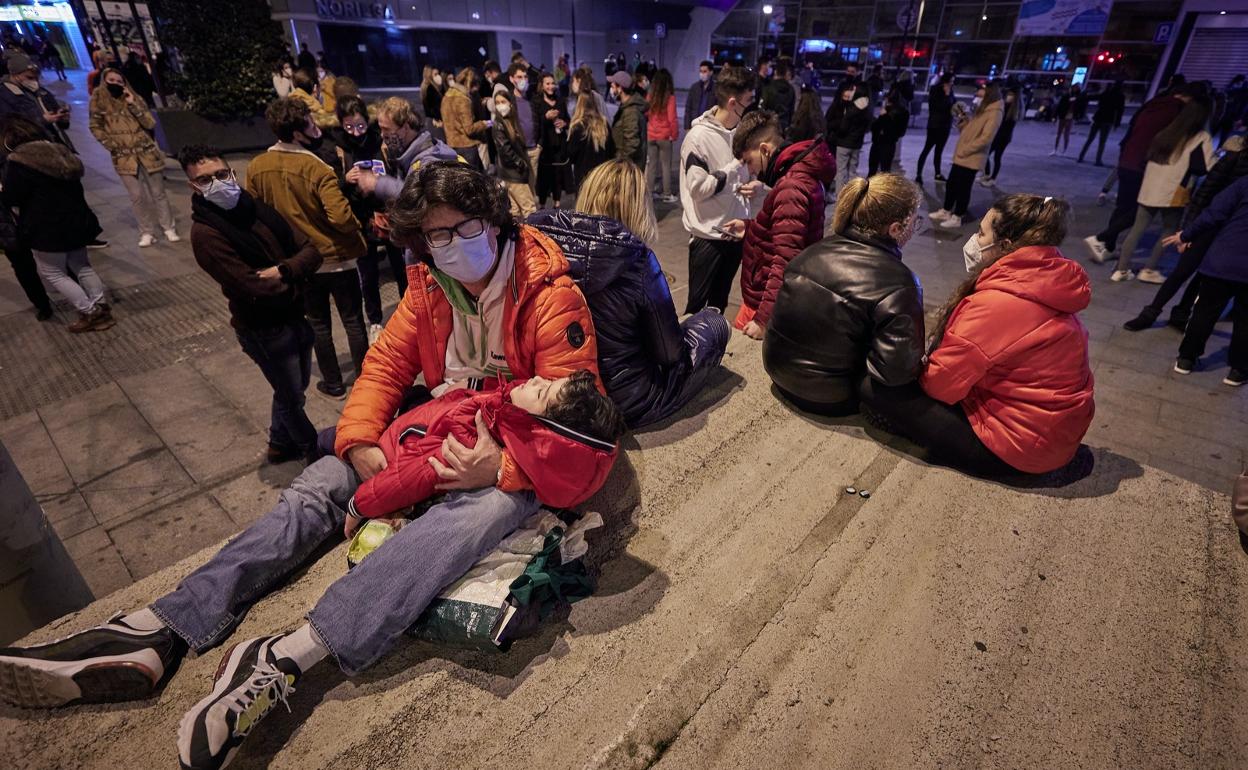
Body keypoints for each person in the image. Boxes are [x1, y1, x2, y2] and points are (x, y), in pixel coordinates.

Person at [0, 163, 603, 768]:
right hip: (432, 427)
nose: (450, 246)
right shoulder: (428, 285)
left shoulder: (549, 294)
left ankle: (290, 654)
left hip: (508, 448)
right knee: (319, 485)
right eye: (435, 236)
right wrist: (362, 441)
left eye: (464, 228)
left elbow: (577, 421)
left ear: (494, 222)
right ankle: (162, 626)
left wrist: (500, 469)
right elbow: (385, 366)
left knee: (477, 517)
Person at [860, 194, 1094, 476]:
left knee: (874, 388)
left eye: (982, 233)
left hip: (1019, 450)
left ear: (1004, 247)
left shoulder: (997, 305)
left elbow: (938, 387)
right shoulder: (1047, 279)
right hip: (1053, 435)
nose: (974, 239)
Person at [531, 158, 730, 427]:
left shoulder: (544, 245)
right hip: (629, 401)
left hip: (562, 389)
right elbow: (670, 354)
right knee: (713, 322)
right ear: (639, 207)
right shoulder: (638, 261)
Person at [180, 145, 324, 462]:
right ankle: (311, 451)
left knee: (293, 388)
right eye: (205, 180)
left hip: (294, 316)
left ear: (231, 172)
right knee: (291, 396)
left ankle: (278, 443)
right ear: (193, 187)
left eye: (220, 174)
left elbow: (312, 251)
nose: (217, 183)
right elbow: (252, 286)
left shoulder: (257, 209)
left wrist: (286, 269)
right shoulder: (206, 233)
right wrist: (296, 276)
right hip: (264, 329)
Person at [350, 372, 622, 522]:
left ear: (536, 429)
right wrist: (475, 384)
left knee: (326, 460)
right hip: (418, 413)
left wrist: (358, 505)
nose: (538, 378)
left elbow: (408, 477)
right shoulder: (511, 409)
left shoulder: (474, 443)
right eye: (548, 381)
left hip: (394, 446)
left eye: (542, 392)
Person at [762, 173, 924, 415]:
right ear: (895, 228)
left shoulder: (811, 252)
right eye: (915, 221)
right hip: (829, 395)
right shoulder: (900, 283)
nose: (915, 227)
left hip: (777, 371)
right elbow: (895, 373)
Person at [247, 97, 368, 399]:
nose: (316, 128)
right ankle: (367, 383)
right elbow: (340, 217)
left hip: (298, 262)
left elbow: (255, 214)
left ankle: (334, 383)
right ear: (298, 133)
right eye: (310, 124)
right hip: (335, 257)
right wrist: (355, 227)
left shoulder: (258, 167)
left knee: (318, 324)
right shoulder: (317, 167)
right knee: (353, 320)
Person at [725, 110, 834, 340]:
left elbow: (786, 260)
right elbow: (785, 233)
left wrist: (763, 319)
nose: (751, 170)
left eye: (749, 161)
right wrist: (749, 228)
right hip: (768, 296)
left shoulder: (791, 187)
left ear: (764, 149)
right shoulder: (796, 176)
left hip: (766, 301)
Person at [1125, 134, 1248, 331]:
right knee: (1182, 271)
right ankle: (1151, 312)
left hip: (1231, 235)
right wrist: (1188, 230)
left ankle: (1181, 314)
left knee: (1205, 278)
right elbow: (1203, 194)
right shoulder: (1234, 158)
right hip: (1208, 225)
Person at [0, 117, 111, 332]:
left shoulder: (19, 162)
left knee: (53, 272)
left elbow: (12, 197)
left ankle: (90, 312)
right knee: (82, 266)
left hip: (46, 227)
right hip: (76, 221)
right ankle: (101, 305)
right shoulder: (61, 152)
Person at [680, 65, 758, 314]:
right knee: (696, 310)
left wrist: (750, 185)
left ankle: (714, 352)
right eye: (749, 100)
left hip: (735, 233)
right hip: (708, 238)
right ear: (734, 102)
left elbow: (746, 173)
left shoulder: (740, 131)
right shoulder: (698, 138)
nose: (753, 104)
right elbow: (698, 188)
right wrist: (735, 168)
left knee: (719, 305)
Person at [1085, 84, 1193, 264]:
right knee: (1141, 211)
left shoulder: (1152, 106)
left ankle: (1107, 246)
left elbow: (1132, 130)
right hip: (1144, 165)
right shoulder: (1175, 112)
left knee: (1123, 207)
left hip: (1129, 158)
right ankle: (1103, 238)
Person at [1110, 98, 1215, 283]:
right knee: (1169, 229)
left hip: (1149, 187)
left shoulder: (1166, 133)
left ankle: (1121, 269)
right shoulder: (1200, 137)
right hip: (1174, 191)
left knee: (1137, 228)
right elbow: (1205, 166)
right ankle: (1149, 269)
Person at [329, 96, 404, 342]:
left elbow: (396, 172)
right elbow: (331, 189)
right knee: (368, 274)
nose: (356, 132)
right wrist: (345, 180)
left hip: (389, 215)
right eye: (349, 126)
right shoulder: (339, 147)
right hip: (362, 220)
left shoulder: (378, 140)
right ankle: (375, 321)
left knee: (401, 267)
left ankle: (407, 311)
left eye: (360, 125)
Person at [1169, 174, 1248, 385]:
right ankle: (1238, 370)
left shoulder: (1243, 182)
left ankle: (1186, 358)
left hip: (1225, 258)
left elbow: (1214, 213)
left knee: (1205, 309)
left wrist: (1186, 235)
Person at [88, 68, 178, 248]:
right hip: (124, 157)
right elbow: (95, 126)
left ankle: (168, 227)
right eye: (111, 80)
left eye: (119, 81)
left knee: (158, 193)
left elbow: (150, 123)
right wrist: (111, 144)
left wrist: (133, 104)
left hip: (146, 152)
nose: (116, 84)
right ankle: (146, 231)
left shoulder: (134, 98)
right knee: (137, 196)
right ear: (104, 82)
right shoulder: (98, 102)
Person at [346, 95, 460, 205]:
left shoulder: (429, 161)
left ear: (405, 128)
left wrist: (378, 184)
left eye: (386, 129)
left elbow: (420, 199)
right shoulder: (408, 154)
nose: (382, 135)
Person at [930, 82, 1003, 229]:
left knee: (963, 188)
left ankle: (958, 216)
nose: (977, 94)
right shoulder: (982, 108)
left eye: (981, 91)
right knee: (951, 184)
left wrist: (967, 149)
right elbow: (968, 130)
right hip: (962, 155)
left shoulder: (995, 112)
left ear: (989, 92)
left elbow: (986, 138)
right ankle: (946, 210)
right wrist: (964, 120)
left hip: (972, 156)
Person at [0, 53, 70, 147]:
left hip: (56, 146)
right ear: (14, 75)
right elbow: (11, 130)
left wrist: (63, 118)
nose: (35, 82)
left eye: (37, 78)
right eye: (29, 77)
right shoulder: (4, 96)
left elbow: (57, 116)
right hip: (33, 151)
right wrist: (43, 120)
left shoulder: (41, 92)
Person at [492, 85, 538, 217]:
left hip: (512, 172)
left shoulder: (510, 121)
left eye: (503, 102)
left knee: (516, 212)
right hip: (513, 174)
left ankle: (517, 237)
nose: (500, 105)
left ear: (510, 103)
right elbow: (505, 151)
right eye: (497, 103)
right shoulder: (499, 124)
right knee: (529, 209)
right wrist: (521, 164)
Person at [825, 82, 871, 196]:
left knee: (841, 171)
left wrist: (839, 133)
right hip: (857, 144)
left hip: (844, 144)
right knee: (852, 171)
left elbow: (843, 128)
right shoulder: (866, 108)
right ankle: (852, 195)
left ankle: (840, 196)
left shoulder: (851, 108)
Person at [442, 67, 491, 172]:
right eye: (476, 86)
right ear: (471, 83)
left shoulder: (447, 95)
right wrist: (485, 123)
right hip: (467, 148)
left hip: (452, 146)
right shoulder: (463, 100)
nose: (477, 90)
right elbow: (469, 129)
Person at [534, 72, 571, 208]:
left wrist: (564, 123)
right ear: (542, 85)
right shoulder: (537, 101)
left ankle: (557, 204)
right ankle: (542, 205)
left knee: (558, 175)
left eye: (552, 83)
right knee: (544, 176)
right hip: (545, 144)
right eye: (547, 83)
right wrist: (545, 117)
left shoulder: (560, 101)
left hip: (559, 143)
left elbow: (568, 119)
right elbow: (535, 122)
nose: (551, 86)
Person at [504, 61, 541, 193]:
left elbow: (539, 121)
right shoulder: (507, 99)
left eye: (525, 77)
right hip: (517, 152)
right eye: (519, 77)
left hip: (533, 150)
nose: (523, 80)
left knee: (532, 187)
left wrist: (539, 145)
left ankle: (531, 213)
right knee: (519, 191)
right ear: (511, 78)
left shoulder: (532, 98)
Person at [567, 87, 612, 190]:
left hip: (583, 178)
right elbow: (611, 150)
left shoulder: (578, 127)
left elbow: (571, 154)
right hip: (601, 175)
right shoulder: (604, 124)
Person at [645, 68, 678, 203]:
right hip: (664, 136)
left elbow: (646, 113)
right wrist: (674, 135)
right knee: (665, 166)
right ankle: (667, 194)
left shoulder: (650, 96)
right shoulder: (670, 98)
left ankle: (650, 192)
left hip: (651, 135)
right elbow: (672, 119)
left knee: (652, 165)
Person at [916, 73, 953, 185]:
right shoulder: (935, 90)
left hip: (945, 126)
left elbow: (953, 104)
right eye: (951, 81)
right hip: (935, 125)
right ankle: (919, 174)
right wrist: (946, 95)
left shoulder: (951, 90)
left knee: (939, 151)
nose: (952, 83)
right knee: (927, 149)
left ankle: (938, 173)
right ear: (944, 81)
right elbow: (938, 107)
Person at [608, 70, 648, 170]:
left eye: (613, 86)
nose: (611, 90)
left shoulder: (630, 112)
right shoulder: (626, 107)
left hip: (628, 167)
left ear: (620, 88)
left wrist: (620, 162)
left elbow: (631, 144)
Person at [1079, 81, 1125, 165]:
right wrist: (1117, 123)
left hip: (1098, 118)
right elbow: (1120, 111)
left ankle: (1081, 156)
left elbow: (1093, 97)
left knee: (1090, 139)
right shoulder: (1120, 96)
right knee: (1102, 141)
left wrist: (1085, 94)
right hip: (1108, 120)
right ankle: (1098, 160)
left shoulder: (1106, 93)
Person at [981, 85, 1019, 187]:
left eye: (1011, 95)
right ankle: (987, 174)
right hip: (997, 135)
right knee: (987, 154)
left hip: (1003, 138)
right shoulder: (1005, 106)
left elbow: (1006, 126)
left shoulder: (1014, 110)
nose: (1009, 96)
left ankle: (993, 178)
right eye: (1008, 94)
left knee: (997, 157)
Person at [868, 91, 908, 177]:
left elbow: (877, 127)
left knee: (873, 170)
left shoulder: (888, 112)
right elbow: (900, 132)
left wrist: (882, 116)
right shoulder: (904, 112)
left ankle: (870, 188)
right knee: (885, 170)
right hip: (889, 144)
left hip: (880, 143)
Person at [760, 58, 795, 132]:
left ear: (775, 72)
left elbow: (762, 107)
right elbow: (792, 111)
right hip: (784, 127)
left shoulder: (768, 88)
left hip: (769, 125)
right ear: (786, 74)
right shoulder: (791, 90)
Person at [685, 60, 715, 132]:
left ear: (711, 72)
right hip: (694, 123)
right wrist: (687, 126)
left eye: (705, 71)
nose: (702, 74)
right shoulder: (694, 87)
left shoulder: (716, 89)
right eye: (700, 71)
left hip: (708, 126)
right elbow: (688, 108)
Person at [420, 65, 445, 137]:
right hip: (436, 121)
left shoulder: (428, 87)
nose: (438, 76)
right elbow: (434, 107)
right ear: (429, 75)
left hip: (432, 121)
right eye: (435, 74)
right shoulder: (430, 89)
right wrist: (438, 119)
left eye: (438, 74)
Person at [1051, 85, 1075, 155]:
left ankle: (1064, 150)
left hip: (1069, 117)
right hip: (1063, 116)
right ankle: (1055, 149)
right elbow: (1059, 106)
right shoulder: (1065, 97)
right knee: (1059, 134)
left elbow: (1072, 107)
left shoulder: (1074, 97)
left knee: (1066, 134)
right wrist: (1055, 116)